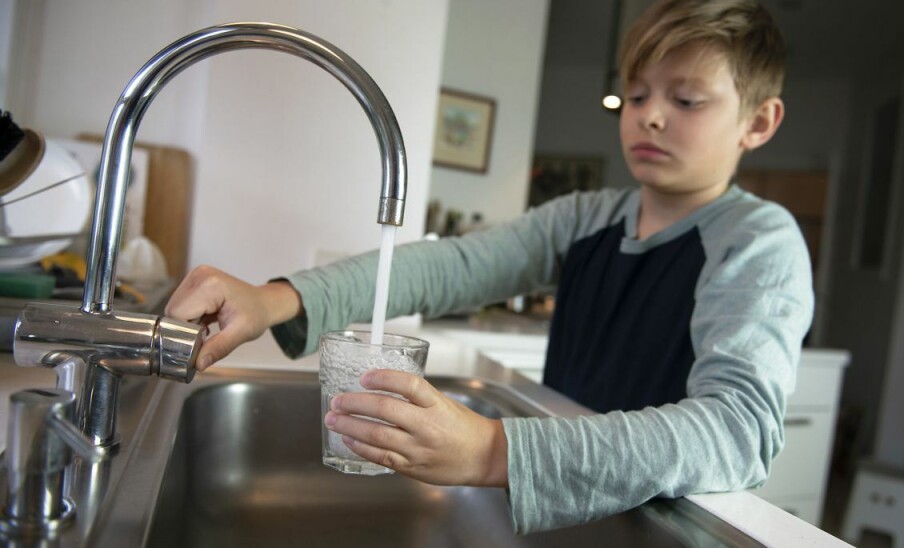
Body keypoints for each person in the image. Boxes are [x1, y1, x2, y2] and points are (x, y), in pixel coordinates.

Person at [165, 0, 812, 534]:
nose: (651, 114)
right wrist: (275, 299)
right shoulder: (590, 217)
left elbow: (737, 430)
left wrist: (493, 450)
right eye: (636, 93)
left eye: (688, 100)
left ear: (759, 121)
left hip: (665, 522)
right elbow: (454, 264)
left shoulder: (759, 239)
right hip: (566, 517)